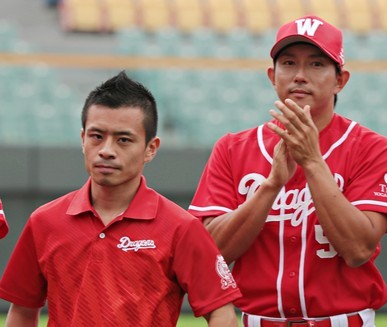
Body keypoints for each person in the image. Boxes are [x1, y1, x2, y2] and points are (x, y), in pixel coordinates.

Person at [187, 15, 387, 327]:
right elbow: (213, 253)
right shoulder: (233, 148)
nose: (300, 75)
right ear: (272, 76)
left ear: (340, 79)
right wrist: (271, 186)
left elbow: (358, 249)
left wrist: (313, 163)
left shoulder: (371, 147)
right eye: (289, 63)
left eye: (316, 64)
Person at [0, 71, 241, 326]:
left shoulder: (181, 227)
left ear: (151, 149)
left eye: (123, 140)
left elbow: (220, 311)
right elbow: (23, 311)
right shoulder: (44, 222)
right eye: (96, 136)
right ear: (83, 139)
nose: (106, 150)